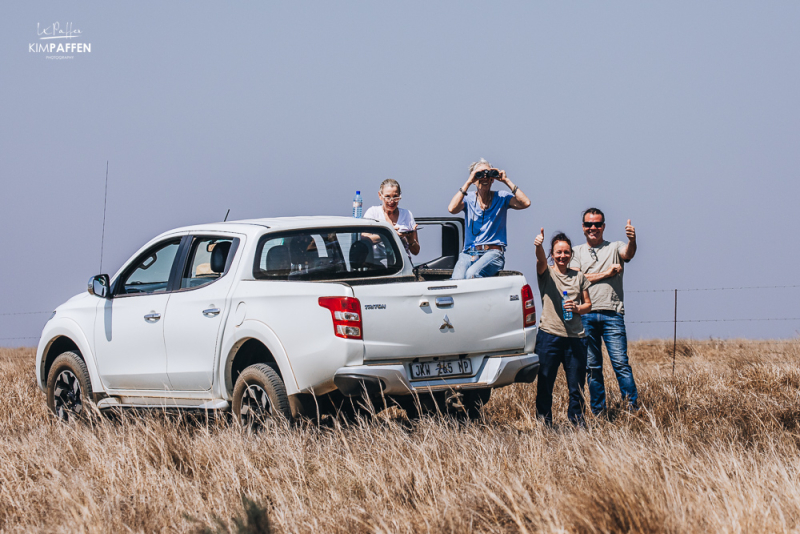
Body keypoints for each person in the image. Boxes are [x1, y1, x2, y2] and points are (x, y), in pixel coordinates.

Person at [569, 208, 639, 415]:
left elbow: (629, 254)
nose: (593, 228)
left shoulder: (616, 247)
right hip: (586, 314)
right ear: (583, 227)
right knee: (593, 368)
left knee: (620, 364)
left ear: (603, 227)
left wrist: (632, 240)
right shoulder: (575, 252)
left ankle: (632, 409)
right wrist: (607, 273)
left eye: (597, 224)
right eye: (589, 224)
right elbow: (576, 280)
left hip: (612, 313)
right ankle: (599, 412)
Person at [534, 229, 592, 426]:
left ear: (571, 254)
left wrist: (577, 308)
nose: (562, 256)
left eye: (566, 252)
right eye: (558, 252)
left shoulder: (579, 276)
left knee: (577, 386)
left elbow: (588, 305)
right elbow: (540, 260)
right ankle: (544, 423)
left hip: (576, 337)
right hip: (549, 336)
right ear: (552, 254)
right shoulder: (546, 273)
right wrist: (538, 246)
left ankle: (577, 422)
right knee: (545, 384)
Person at [447, 158, 530, 279]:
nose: (484, 178)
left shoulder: (501, 197)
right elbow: (451, 209)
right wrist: (469, 181)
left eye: (488, 174)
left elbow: (526, 202)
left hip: (493, 253)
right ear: (475, 180)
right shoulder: (468, 199)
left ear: (492, 179)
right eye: (480, 174)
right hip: (469, 253)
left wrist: (506, 181)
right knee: (456, 280)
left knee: (472, 274)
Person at [363, 179, 419, 261]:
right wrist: (388, 234)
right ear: (380, 196)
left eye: (395, 197)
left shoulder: (407, 214)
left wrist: (410, 240)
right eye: (388, 197)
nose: (391, 201)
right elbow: (364, 239)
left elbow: (416, 251)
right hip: (379, 263)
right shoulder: (373, 212)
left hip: (403, 262)